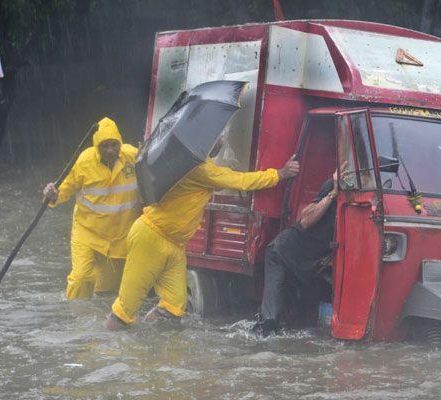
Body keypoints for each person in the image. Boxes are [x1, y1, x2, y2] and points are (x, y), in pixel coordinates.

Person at [105, 152, 300, 329]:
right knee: (125, 309)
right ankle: (109, 349)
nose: (221, 141)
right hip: (151, 237)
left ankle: (150, 351)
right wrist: (279, 174)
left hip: (175, 245)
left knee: (173, 309)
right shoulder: (199, 169)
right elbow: (238, 180)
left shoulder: (191, 163)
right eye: (218, 138)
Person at [43, 117, 140, 299]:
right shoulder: (84, 162)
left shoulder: (133, 156)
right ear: (97, 147)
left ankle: (97, 325)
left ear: (120, 143)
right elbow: (65, 187)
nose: (110, 150)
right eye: (105, 146)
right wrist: (53, 194)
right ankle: (76, 321)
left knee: (108, 292)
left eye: (114, 145)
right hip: (87, 232)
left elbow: (152, 171)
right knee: (81, 278)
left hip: (119, 236)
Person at [252, 171, 338, 337]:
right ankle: (258, 347)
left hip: (304, 263)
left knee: (297, 321)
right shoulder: (332, 187)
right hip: (281, 253)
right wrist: (332, 194)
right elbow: (305, 220)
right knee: (271, 319)